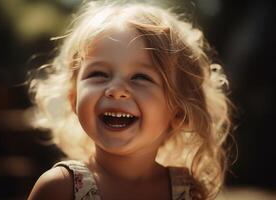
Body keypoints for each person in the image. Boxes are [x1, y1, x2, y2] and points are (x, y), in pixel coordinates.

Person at [27, 1, 233, 199]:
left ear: (178, 112)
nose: (116, 90)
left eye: (141, 77)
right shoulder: (60, 189)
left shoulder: (188, 192)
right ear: (74, 99)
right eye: (99, 73)